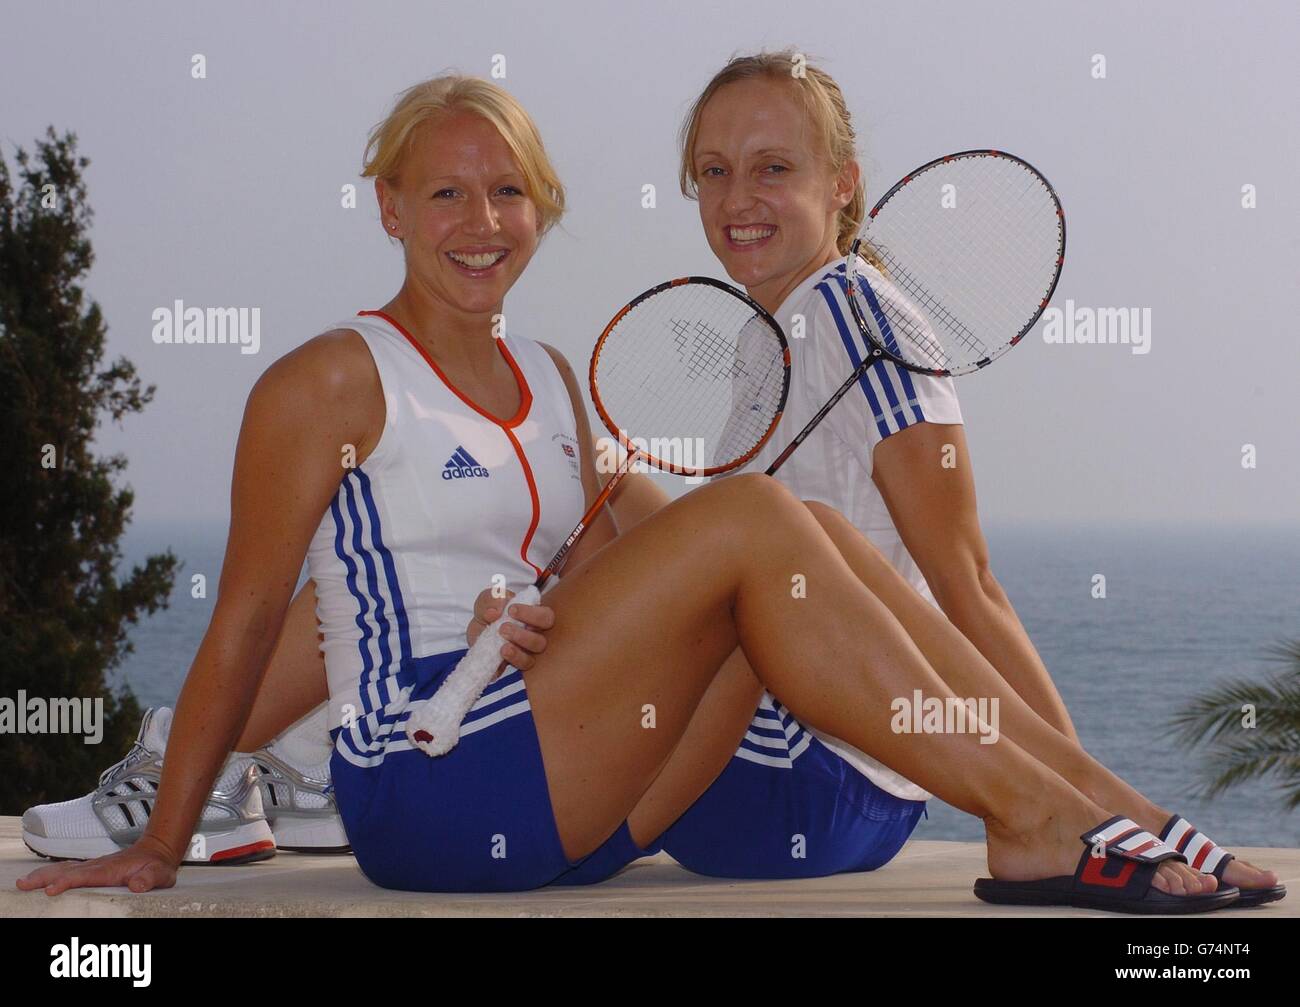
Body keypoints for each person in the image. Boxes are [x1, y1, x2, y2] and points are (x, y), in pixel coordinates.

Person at [14, 74, 1250, 911]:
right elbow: (244, 614)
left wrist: (641, 569)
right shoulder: (327, 380)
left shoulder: (552, 380)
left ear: (541, 209)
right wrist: (159, 844)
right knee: (777, 523)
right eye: (442, 191)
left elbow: (702, 550)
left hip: (585, 802)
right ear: (388, 206)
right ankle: (1050, 817)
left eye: (507, 191)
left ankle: (1097, 810)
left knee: (810, 532)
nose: (479, 219)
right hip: (426, 777)